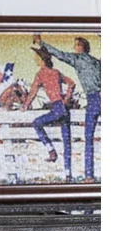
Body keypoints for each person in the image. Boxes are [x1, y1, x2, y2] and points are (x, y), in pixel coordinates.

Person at [34, 34, 101, 183]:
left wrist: (41, 42)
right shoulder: (96, 62)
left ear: (81, 47)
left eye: (75, 45)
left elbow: (58, 54)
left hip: (93, 99)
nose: (73, 47)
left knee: (88, 138)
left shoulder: (77, 59)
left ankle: (89, 176)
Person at [22, 47, 76, 181]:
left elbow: (33, 92)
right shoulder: (56, 72)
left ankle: (51, 150)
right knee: (66, 143)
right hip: (63, 108)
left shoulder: (40, 74)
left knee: (36, 123)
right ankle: (68, 175)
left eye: (36, 57)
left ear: (42, 59)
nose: (34, 59)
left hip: (57, 108)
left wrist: (25, 105)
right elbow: (72, 83)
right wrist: (66, 99)